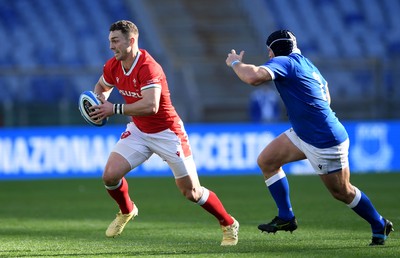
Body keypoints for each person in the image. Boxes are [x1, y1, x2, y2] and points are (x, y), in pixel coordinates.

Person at [225, 29, 393, 246]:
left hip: (324, 140)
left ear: (276, 49)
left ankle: (379, 223)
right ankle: (286, 216)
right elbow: (326, 93)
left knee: (342, 192)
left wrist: (235, 63)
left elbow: (253, 77)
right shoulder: (306, 64)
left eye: (269, 51)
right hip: (306, 132)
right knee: (267, 161)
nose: (269, 56)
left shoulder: (286, 62)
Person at [88, 20, 239, 246]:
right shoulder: (113, 65)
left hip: (168, 133)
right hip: (139, 130)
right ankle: (127, 210)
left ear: (131, 41)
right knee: (110, 175)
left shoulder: (148, 67)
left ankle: (228, 223)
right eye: (110, 41)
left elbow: (151, 105)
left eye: (115, 41)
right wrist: (100, 100)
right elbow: (101, 87)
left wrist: (114, 109)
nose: (111, 46)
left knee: (192, 193)